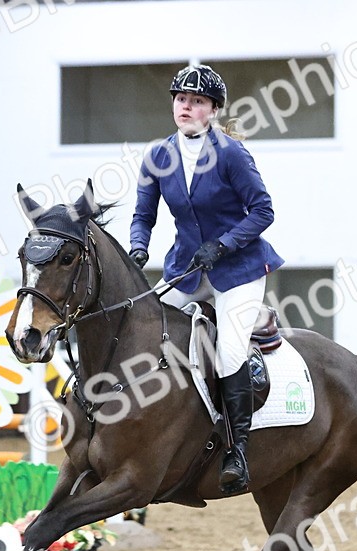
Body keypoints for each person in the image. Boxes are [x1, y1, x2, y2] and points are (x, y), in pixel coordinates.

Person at [130, 64, 284, 495]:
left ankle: (237, 450)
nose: (186, 106)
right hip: (188, 267)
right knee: (149, 334)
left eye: (197, 101)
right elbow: (143, 216)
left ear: (212, 110)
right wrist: (138, 247)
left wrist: (224, 244)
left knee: (229, 351)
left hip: (238, 269)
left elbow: (263, 212)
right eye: (181, 99)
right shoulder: (158, 155)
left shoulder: (231, 153)